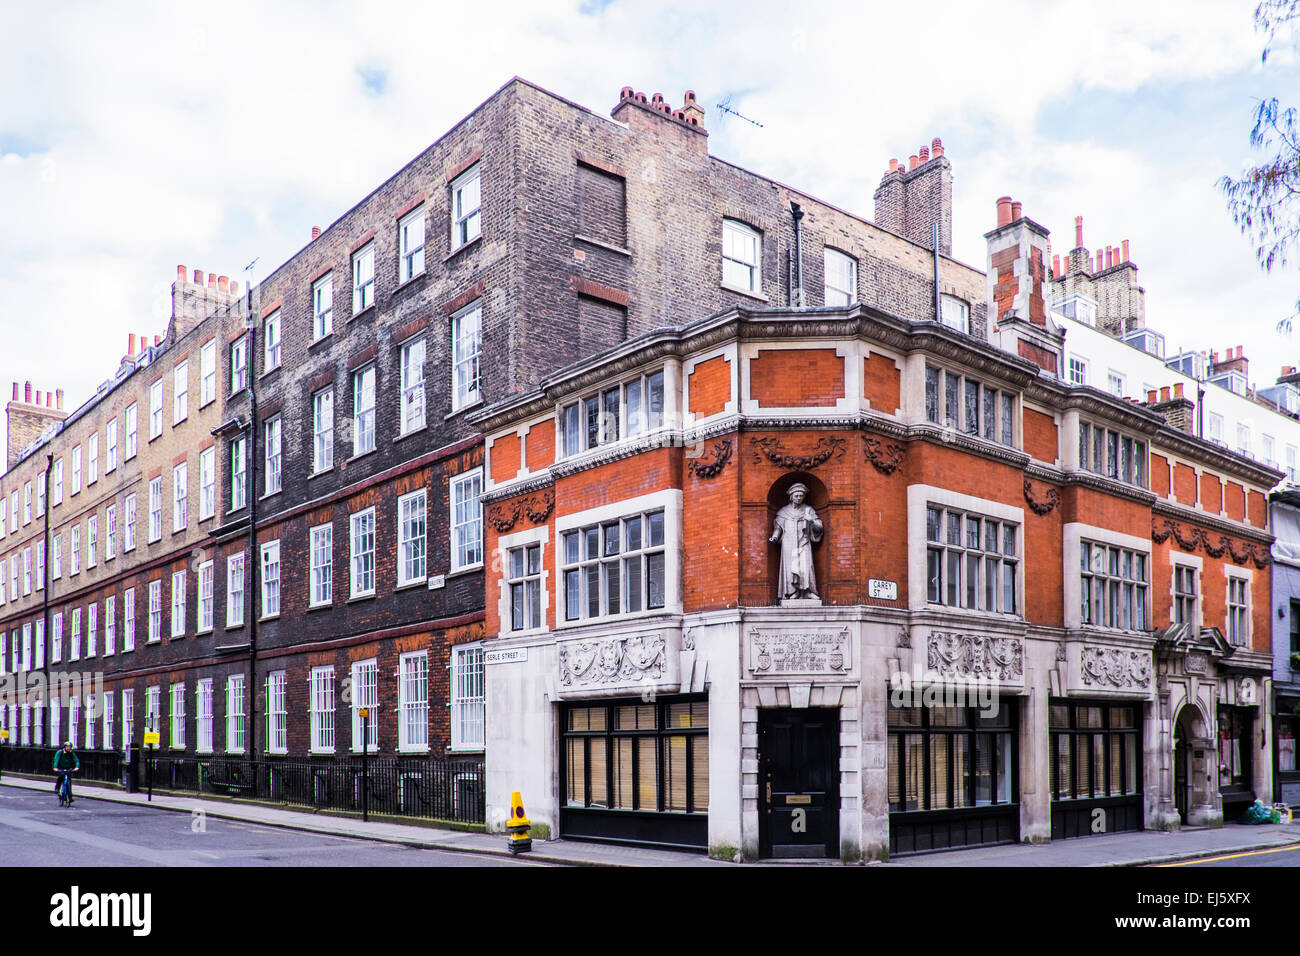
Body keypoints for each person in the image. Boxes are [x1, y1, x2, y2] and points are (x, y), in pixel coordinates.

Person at [769, 482, 823, 601]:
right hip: (788, 543)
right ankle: (792, 592)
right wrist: (774, 537)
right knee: (791, 567)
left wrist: (812, 521)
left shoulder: (809, 510)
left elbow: (819, 528)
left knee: (806, 565)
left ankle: (808, 591)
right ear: (791, 496)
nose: (799, 498)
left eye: (801, 496)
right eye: (796, 496)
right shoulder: (784, 512)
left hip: (804, 541)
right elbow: (778, 528)